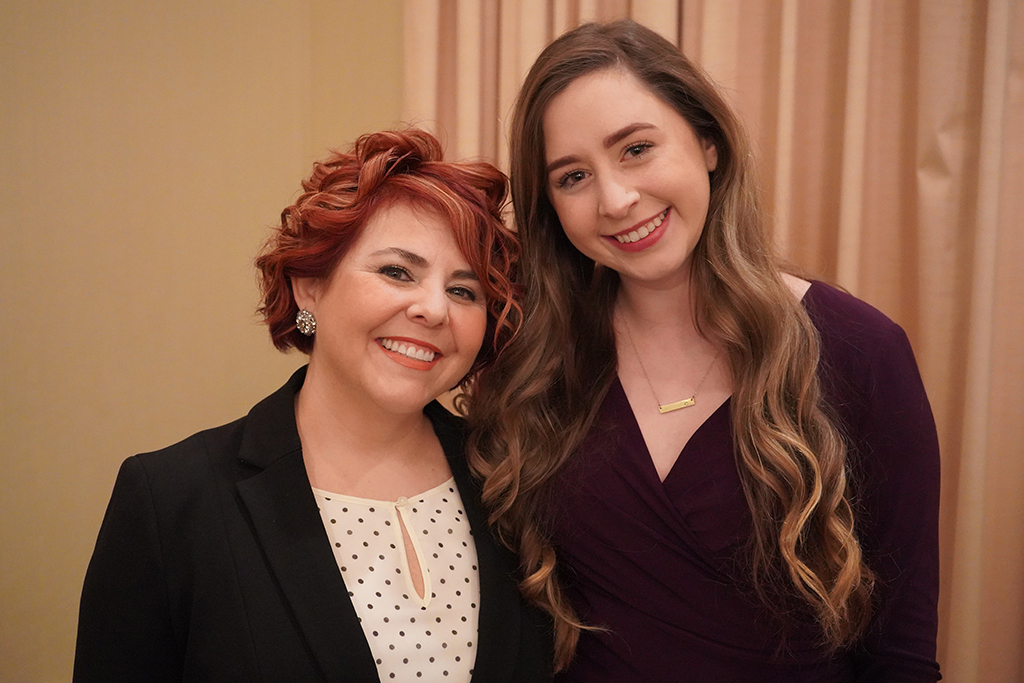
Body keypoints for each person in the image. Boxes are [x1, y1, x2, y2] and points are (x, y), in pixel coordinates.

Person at [467, 19, 941, 682]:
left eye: (635, 149)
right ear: (551, 204)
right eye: (573, 176)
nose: (616, 199)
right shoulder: (530, 354)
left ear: (707, 142)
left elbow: (901, 657)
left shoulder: (864, 352)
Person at [73, 128, 553, 683]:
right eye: (398, 271)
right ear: (309, 284)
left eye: (464, 291)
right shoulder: (172, 501)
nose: (433, 309)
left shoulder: (515, 480)